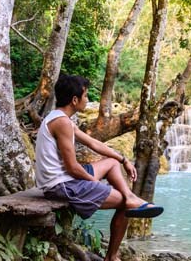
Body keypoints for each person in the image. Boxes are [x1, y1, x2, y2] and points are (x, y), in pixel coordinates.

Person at [34, 74, 163, 261]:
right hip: (60, 185)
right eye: (85, 96)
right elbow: (72, 168)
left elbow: (94, 144)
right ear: (75, 100)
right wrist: (95, 183)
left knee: (111, 163)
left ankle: (130, 197)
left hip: (65, 179)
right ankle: (112, 256)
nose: (87, 100)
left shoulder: (62, 118)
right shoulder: (61, 123)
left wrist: (123, 159)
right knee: (123, 204)